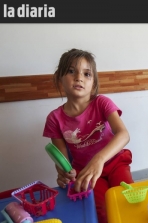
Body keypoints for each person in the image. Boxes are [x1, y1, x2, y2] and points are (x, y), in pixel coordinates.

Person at [43, 48, 134, 223]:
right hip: (86, 172)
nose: (79, 78)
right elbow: (62, 160)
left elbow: (123, 135)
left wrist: (98, 159)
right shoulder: (54, 118)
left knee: (126, 199)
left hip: (115, 163)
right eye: (71, 71)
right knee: (100, 210)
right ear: (59, 77)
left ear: (93, 83)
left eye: (87, 74)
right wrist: (63, 172)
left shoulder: (102, 103)